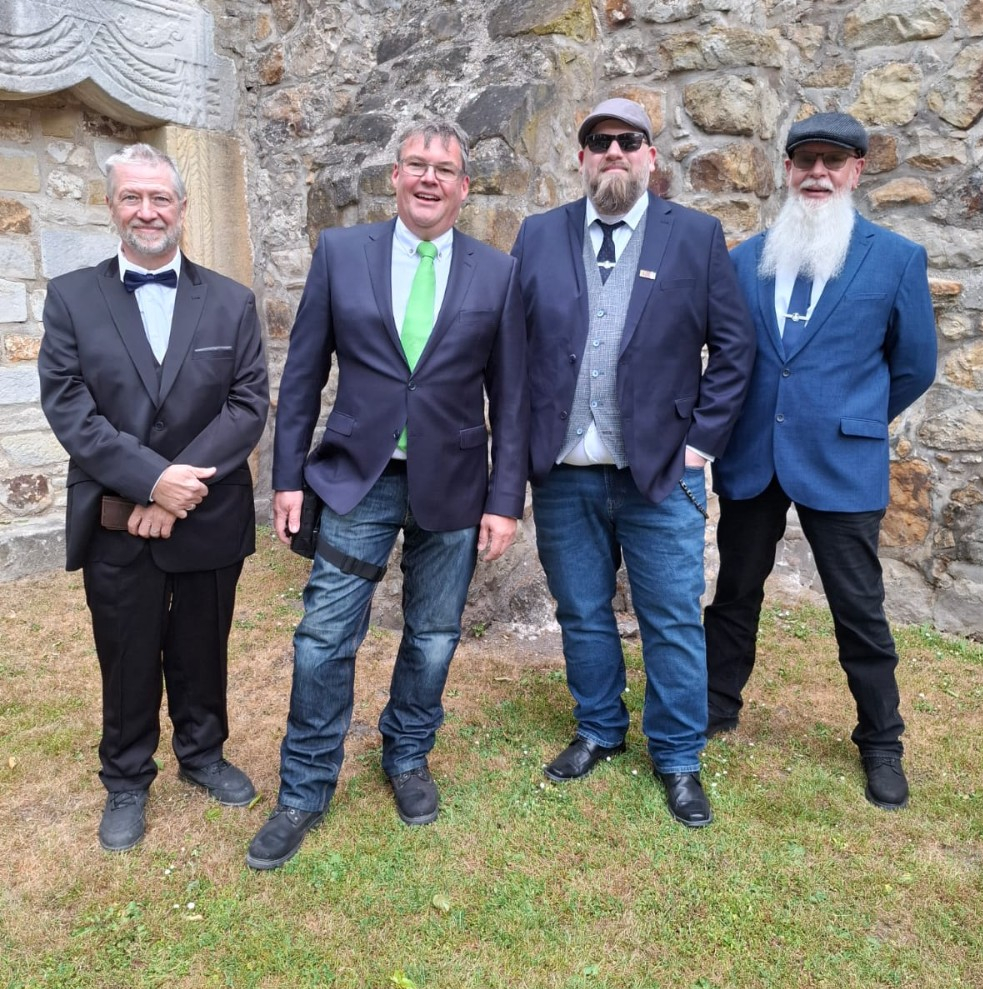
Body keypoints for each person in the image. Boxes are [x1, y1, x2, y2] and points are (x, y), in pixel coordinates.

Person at [246, 119, 528, 870]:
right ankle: (304, 790)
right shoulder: (342, 254)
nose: (429, 178)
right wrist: (285, 479)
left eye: (445, 169)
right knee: (323, 637)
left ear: (464, 188)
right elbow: (302, 374)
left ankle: (406, 755)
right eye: (416, 164)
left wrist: (505, 500)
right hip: (356, 479)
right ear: (395, 176)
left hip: (455, 485)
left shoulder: (498, 273)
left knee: (432, 635)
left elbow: (513, 398)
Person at [511, 98, 756, 828]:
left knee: (672, 617)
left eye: (628, 141)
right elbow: (512, 348)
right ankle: (599, 727)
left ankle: (677, 756)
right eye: (599, 141)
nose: (613, 151)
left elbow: (734, 349)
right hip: (564, 471)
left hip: (662, 473)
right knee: (581, 609)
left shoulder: (696, 236)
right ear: (582, 158)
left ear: (651, 156)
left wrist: (700, 443)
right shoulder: (539, 235)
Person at [38, 143, 269, 851]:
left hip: (206, 513)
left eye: (160, 198)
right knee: (126, 652)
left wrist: (173, 490)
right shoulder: (72, 298)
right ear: (111, 207)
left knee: (203, 646)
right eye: (132, 198)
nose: (147, 211)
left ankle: (203, 754)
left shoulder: (231, 301)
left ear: (182, 208)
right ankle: (126, 777)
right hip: (118, 520)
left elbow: (247, 403)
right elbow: (70, 407)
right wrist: (149, 480)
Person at [704, 112, 938, 810]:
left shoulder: (895, 259)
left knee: (858, 607)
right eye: (805, 160)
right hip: (753, 456)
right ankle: (716, 705)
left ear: (856, 171)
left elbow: (915, 365)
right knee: (735, 593)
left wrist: (855, 416)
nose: (817, 173)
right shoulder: (745, 259)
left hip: (842, 460)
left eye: (832, 161)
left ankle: (881, 743)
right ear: (786, 169)